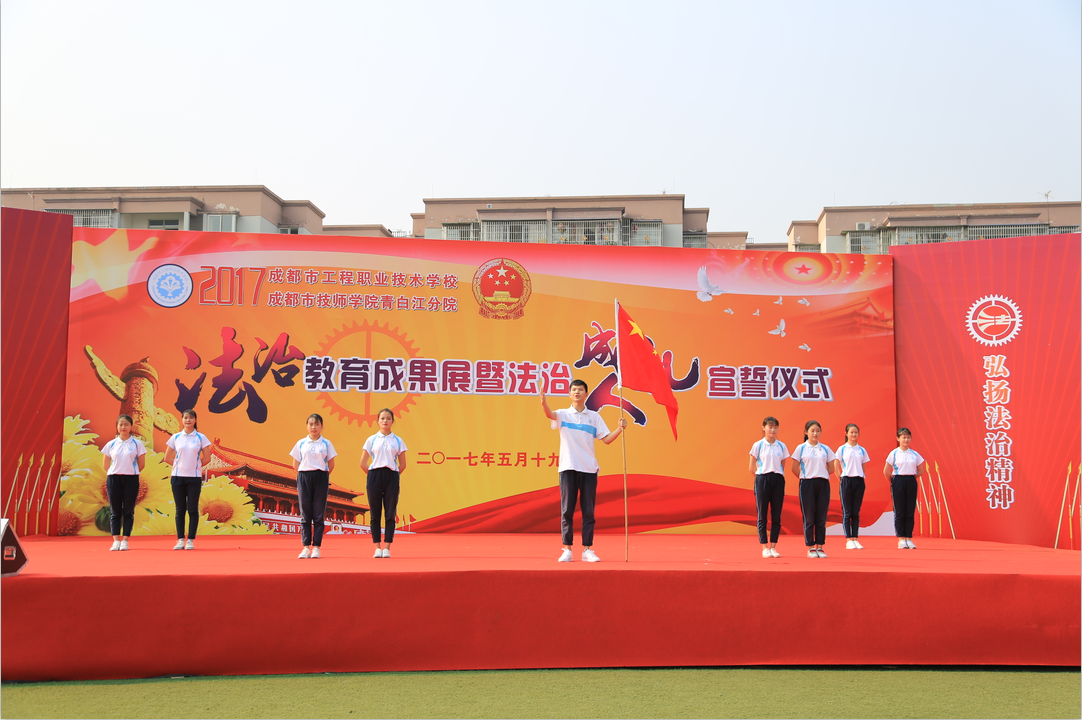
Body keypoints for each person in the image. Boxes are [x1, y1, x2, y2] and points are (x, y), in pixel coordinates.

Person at [541, 378, 626, 562]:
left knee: (588, 511)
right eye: (574, 390)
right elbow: (550, 414)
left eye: (580, 390)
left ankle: (587, 549)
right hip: (568, 467)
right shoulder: (563, 414)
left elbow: (606, 439)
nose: (577, 392)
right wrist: (543, 402)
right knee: (567, 510)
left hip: (588, 468)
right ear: (569, 394)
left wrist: (619, 429)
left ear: (586, 394)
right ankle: (567, 549)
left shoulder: (594, 417)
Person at [360, 408, 408, 559]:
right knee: (375, 514)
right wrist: (372, 476)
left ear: (393, 421)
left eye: (388, 418)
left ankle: (387, 547)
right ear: (378, 421)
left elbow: (403, 464)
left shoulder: (398, 441)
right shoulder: (371, 439)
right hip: (374, 475)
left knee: (390, 513)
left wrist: (393, 475)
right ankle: (377, 547)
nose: (385, 421)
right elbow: (362, 463)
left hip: (391, 476)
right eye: (382, 418)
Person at [289, 413, 337, 559]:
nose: (313, 427)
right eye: (311, 424)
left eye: (316, 424)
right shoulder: (301, 443)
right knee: (305, 514)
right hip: (304, 477)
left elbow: (331, 464)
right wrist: (305, 474)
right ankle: (305, 547)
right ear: (307, 426)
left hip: (321, 477)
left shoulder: (326, 444)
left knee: (318, 513)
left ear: (321, 426)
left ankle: (316, 547)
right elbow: (295, 464)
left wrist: (321, 475)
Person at [164, 409, 211, 550]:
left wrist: (195, 466)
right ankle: (180, 540)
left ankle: (190, 540)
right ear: (182, 420)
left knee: (192, 509)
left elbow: (207, 458)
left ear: (195, 420)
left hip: (194, 478)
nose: (188, 420)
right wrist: (179, 466)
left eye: (191, 418)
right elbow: (167, 458)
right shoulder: (176, 437)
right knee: (180, 509)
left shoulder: (201, 437)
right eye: (185, 418)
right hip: (178, 478)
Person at [100, 414, 147, 551]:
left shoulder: (137, 444)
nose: (123, 427)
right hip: (114, 479)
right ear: (117, 427)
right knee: (115, 511)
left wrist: (130, 471)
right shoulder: (111, 444)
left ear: (131, 426)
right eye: (121, 424)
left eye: (126, 424)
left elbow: (142, 464)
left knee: (128, 511)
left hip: (131, 479)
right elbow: (105, 464)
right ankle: (115, 540)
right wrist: (116, 471)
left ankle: (125, 540)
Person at [791, 420, 837, 558]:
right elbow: (794, 468)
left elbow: (832, 468)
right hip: (807, 484)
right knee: (809, 516)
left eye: (818, 431)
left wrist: (820, 474)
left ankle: (820, 547)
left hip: (823, 484)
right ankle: (811, 547)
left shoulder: (826, 449)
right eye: (812, 431)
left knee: (821, 516)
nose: (815, 433)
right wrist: (805, 477)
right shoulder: (801, 448)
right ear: (806, 432)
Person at [749, 416, 788, 558]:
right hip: (762, 479)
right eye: (770, 427)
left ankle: (773, 546)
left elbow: (782, 465)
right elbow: (751, 467)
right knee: (762, 514)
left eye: (775, 427)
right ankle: (764, 547)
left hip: (777, 479)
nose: (773, 430)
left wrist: (776, 476)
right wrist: (761, 478)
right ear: (763, 428)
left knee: (776, 515)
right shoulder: (758, 445)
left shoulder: (782, 446)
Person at [883, 427, 925, 549]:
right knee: (900, 511)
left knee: (910, 510)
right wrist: (894, 482)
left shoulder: (914, 454)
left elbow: (921, 470)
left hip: (911, 481)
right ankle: (901, 538)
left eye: (908, 437)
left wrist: (910, 477)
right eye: (903, 437)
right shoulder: (894, 453)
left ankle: (909, 538)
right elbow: (886, 471)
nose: (906, 440)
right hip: (898, 481)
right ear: (898, 438)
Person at [835, 423, 872, 550]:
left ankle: (855, 538)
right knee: (847, 512)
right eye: (851, 432)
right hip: (846, 480)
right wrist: (841, 479)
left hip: (859, 481)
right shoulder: (842, 449)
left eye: (856, 432)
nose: (854, 434)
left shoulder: (862, 450)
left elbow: (863, 467)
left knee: (856, 511)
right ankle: (848, 539)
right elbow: (836, 466)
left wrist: (859, 476)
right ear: (846, 433)